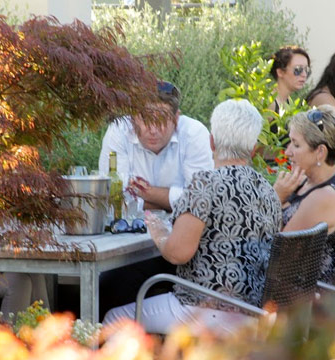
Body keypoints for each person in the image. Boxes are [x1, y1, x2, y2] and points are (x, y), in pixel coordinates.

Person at [103, 99, 283, 335]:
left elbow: (178, 253)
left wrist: (160, 234)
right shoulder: (268, 190)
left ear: (211, 142)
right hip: (254, 312)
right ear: (252, 149)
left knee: (113, 319)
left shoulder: (205, 184)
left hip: (204, 308)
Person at [98, 80, 213, 212]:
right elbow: (112, 199)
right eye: (146, 119)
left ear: (176, 119)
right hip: (127, 228)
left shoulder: (194, 133)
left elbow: (202, 199)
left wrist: (146, 192)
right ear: (133, 118)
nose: (153, 130)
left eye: (161, 120)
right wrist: (171, 204)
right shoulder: (118, 131)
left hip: (183, 227)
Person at [273, 105, 335, 283]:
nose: (287, 152)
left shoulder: (324, 197)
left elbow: (278, 254)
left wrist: (276, 198)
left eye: (296, 145)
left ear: (320, 152)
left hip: (303, 298)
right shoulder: (310, 183)